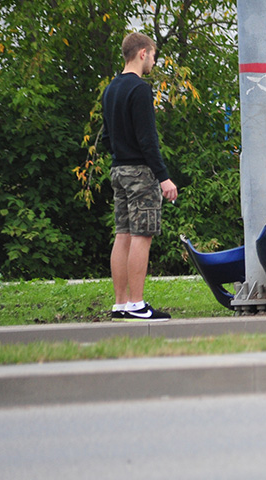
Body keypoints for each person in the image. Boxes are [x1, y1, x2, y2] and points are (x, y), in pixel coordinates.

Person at [102, 32, 179, 321]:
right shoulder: (140, 90)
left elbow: (108, 138)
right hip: (140, 173)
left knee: (122, 234)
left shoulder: (110, 90)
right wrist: (163, 177)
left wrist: (122, 154)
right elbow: (148, 140)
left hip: (118, 170)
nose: (154, 62)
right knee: (142, 234)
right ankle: (136, 303)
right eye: (154, 56)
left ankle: (120, 303)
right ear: (143, 53)